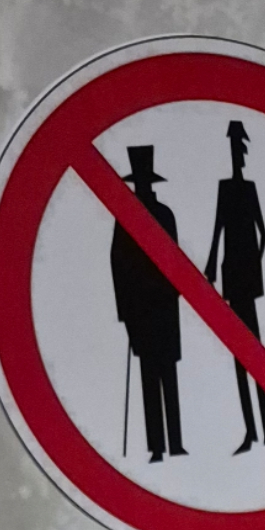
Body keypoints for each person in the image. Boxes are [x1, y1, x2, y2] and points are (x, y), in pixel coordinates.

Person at [204, 119, 265, 452]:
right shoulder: (225, 188)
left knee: (254, 350)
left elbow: (264, 233)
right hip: (232, 273)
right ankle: (252, 430)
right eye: (234, 149)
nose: (237, 155)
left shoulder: (249, 188)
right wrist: (211, 264)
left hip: (244, 273)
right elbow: (218, 228)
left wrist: (254, 262)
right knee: (241, 352)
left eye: (240, 149)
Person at [111, 145, 185, 461]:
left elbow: (177, 263)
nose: (142, 186)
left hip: (163, 307)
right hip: (143, 310)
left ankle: (175, 442)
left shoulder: (165, 215)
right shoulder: (125, 219)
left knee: (167, 374)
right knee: (150, 376)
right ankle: (157, 446)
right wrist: (125, 313)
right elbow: (117, 265)